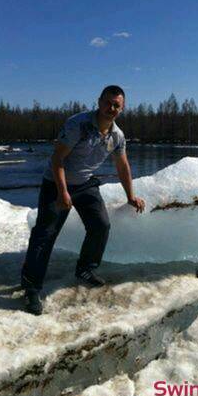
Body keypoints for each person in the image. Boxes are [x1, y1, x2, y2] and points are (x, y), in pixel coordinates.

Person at [21, 85, 145, 315]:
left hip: (85, 183)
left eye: (117, 105)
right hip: (56, 183)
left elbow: (123, 166)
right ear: (99, 102)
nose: (112, 108)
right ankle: (31, 288)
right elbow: (57, 159)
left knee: (100, 225)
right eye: (108, 103)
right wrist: (62, 192)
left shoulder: (117, 136)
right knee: (45, 234)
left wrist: (130, 196)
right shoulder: (77, 124)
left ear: (123, 108)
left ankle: (85, 269)